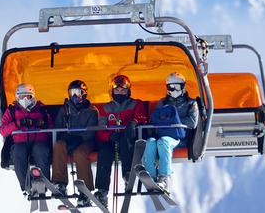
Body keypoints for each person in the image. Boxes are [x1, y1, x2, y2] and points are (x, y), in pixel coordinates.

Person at [94, 74, 148, 205]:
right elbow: (101, 128)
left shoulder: (136, 103)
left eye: (123, 90)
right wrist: (109, 136)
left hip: (129, 138)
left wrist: (134, 122)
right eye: (117, 90)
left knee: (125, 142)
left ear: (128, 91)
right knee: (104, 153)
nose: (120, 93)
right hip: (112, 140)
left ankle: (128, 175)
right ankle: (102, 190)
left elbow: (142, 117)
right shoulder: (106, 108)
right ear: (112, 91)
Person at [142, 73, 200, 190]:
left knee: (164, 142)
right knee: (150, 142)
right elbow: (156, 118)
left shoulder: (191, 104)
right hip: (162, 134)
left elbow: (192, 122)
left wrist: (174, 120)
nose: (174, 90)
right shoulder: (163, 103)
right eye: (171, 87)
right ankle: (151, 177)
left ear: (183, 87)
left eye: (177, 87)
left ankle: (164, 178)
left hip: (180, 138)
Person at [50, 80, 100, 206]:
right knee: (59, 145)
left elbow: (91, 132)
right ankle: (59, 183)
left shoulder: (92, 111)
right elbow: (58, 128)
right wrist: (67, 137)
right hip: (69, 140)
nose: (74, 96)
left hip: (86, 141)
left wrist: (77, 139)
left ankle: (85, 191)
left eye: (78, 92)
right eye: (72, 92)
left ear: (84, 94)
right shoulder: (65, 110)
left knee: (80, 153)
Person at [0, 83, 52, 195]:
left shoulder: (41, 109)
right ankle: (26, 187)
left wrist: (42, 124)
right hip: (20, 142)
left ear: (32, 96)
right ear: (17, 97)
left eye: (27, 96)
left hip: (38, 141)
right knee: (18, 152)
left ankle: (45, 183)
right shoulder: (12, 111)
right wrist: (18, 124)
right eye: (21, 96)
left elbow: (50, 127)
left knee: (41, 151)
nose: (24, 99)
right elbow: (3, 130)